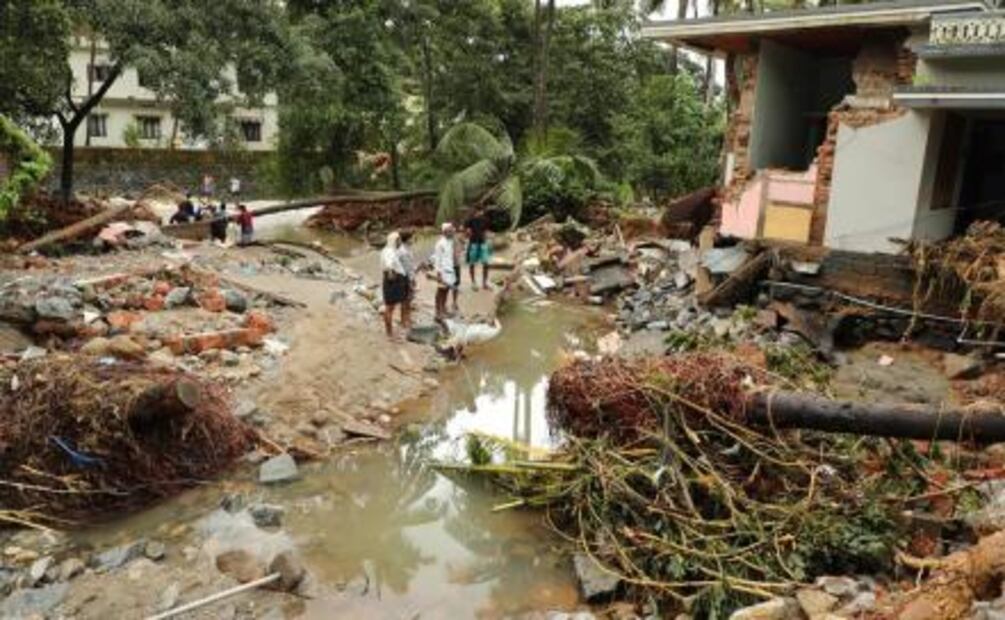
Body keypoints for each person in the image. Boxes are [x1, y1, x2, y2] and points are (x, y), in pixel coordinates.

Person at [381, 232, 410, 339]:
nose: (400, 242)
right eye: (398, 240)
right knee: (390, 307)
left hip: (394, 280)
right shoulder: (389, 251)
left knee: (390, 307)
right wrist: (391, 274)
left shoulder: (388, 250)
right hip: (392, 281)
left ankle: (390, 332)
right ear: (393, 241)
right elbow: (389, 265)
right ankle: (389, 333)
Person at [431, 223, 458, 321]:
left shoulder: (449, 241)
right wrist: (438, 274)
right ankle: (438, 312)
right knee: (440, 291)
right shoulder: (440, 243)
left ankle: (443, 309)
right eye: (450, 231)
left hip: (449, 270)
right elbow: (438, 259)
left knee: (446, 290)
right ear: (445, 232)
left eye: (452, 230)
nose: (452, 232)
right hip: (442, 271)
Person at [465, 207, 491, 290]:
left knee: (486, 263)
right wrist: (469, 233)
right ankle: (474, 283)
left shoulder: (486, 220)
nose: (480, 213)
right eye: (478, 211)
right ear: (476, 211)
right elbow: (468, 232)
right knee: (472, 263)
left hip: (482, 243)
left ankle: (484, 283)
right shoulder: (470, 220)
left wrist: (486, 240)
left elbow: (486, 232)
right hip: (473, 243)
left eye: (481, 211)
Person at [398, 230, 417, 331]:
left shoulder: (408, 249)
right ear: (407, 239)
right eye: (412, 238)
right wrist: (410, 280)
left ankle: (408, 318)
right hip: (405, 278)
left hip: (410, 276)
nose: (413, 239)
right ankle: (403, 320)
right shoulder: (403, 251)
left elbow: (411, 266)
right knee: (404, 300)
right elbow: (406, 268)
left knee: (409, 300)